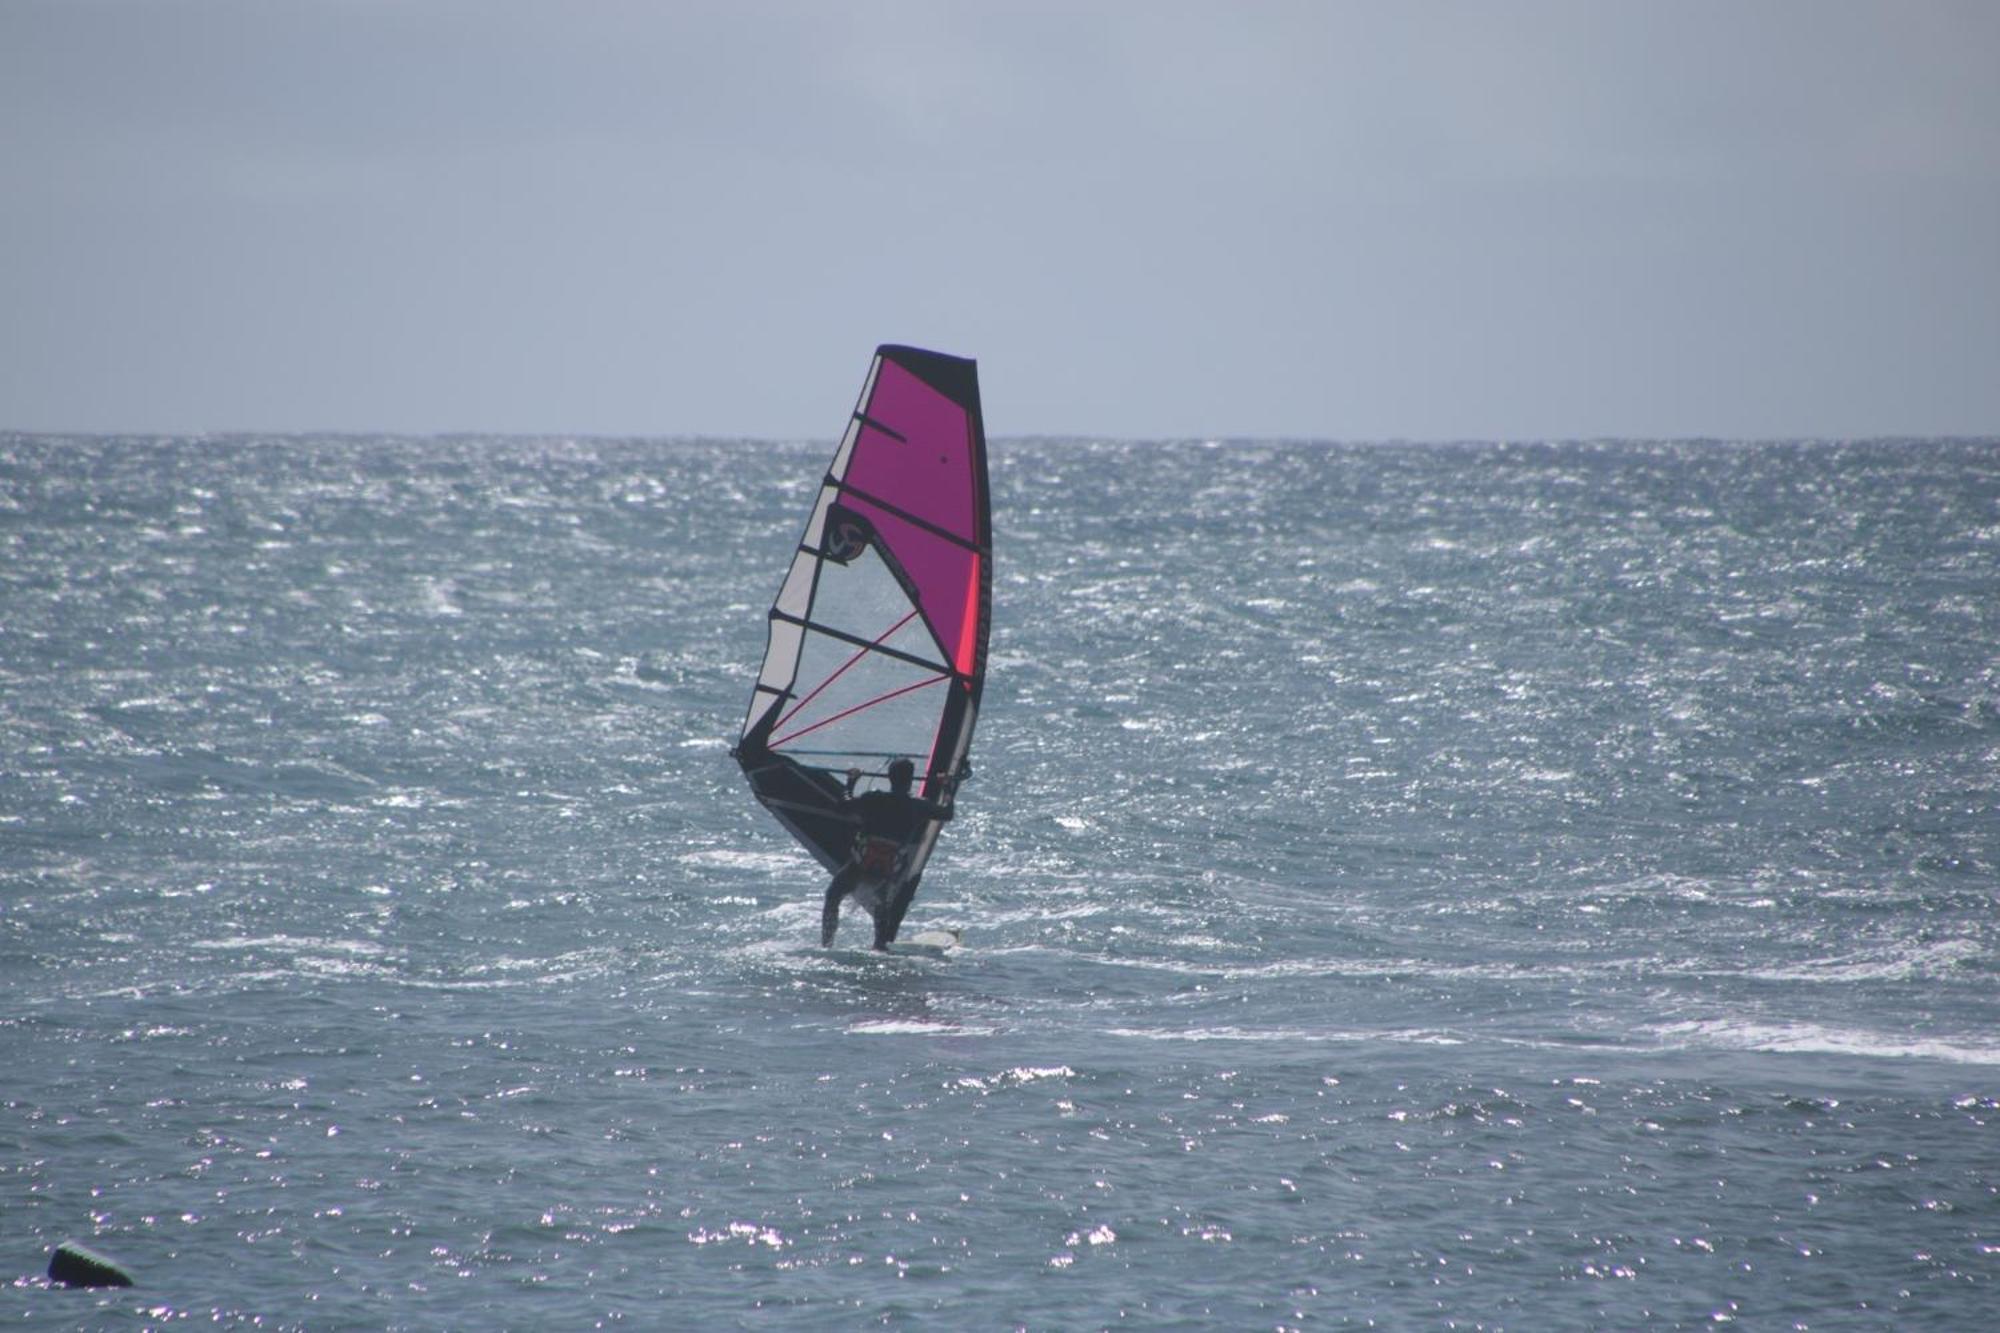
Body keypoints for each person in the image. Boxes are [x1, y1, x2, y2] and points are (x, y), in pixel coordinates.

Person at [822, 757, 953, 950]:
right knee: (881, 907)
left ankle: (827, 944)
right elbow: (947, 813)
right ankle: (880, 946)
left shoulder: (874, 798)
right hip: (890, 865)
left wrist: (851, 782)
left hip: (861, 863)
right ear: (910, 780)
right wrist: (947, 788)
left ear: (890, 778)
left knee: (833, 896)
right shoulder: (919, 805)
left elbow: (844, 805)